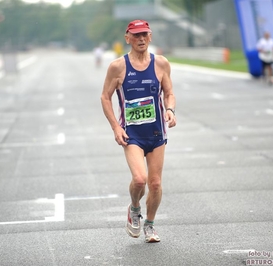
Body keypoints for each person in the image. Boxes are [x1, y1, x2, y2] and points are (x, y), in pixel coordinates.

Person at [100, 19, 176, 243]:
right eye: (136, 35)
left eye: (144, 34)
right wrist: (115, 126)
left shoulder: (161, 64)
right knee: (140, 180)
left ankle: (150, 225)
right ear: (128, 38)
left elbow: (169, 92)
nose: (141, 39)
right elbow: (105, 97)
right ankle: (134, 208)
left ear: (150, 36)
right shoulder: (118, 67)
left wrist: (170, 109)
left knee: (155, 183)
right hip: (131, 134)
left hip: (156, 133)